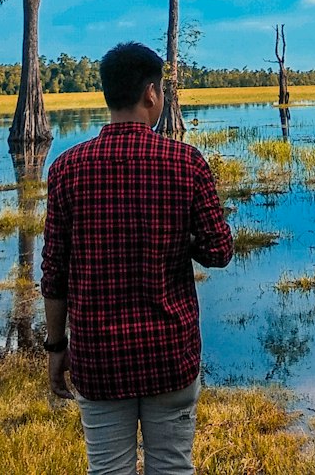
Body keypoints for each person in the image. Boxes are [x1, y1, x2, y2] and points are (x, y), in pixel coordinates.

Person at [40, 41, 233, 474]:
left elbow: (53, 272)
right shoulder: (186, 163)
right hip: (170, 354)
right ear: (151, 94)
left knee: (107, 469)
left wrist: (56, 346)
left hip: (100, 358)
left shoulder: (66, 169)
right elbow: (220, 251)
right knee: (172, 466)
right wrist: (179, 237)